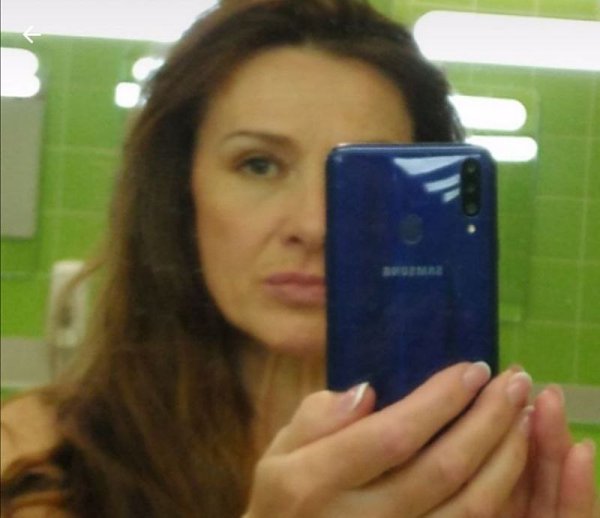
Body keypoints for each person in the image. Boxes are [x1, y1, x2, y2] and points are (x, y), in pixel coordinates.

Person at [1, 0, 597, 516]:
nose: (315, 225)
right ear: (181, 194)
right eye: (259, 164)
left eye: (363, 183)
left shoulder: (483, 463)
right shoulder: (40, 458)